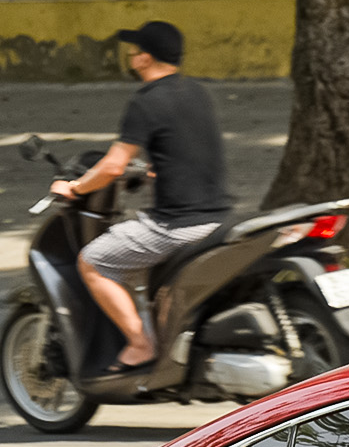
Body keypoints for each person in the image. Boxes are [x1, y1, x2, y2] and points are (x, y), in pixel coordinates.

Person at [51, 20, 231, 370]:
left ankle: (139, 343)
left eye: (134, 50)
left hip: (177, 225)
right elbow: (189, 147)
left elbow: (113, 167)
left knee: (94, 262)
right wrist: (157, 169)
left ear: (144, 59)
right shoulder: (197, 92)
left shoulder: (146, 101)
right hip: (219, 219)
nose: (130, 55)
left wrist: (74, 187)